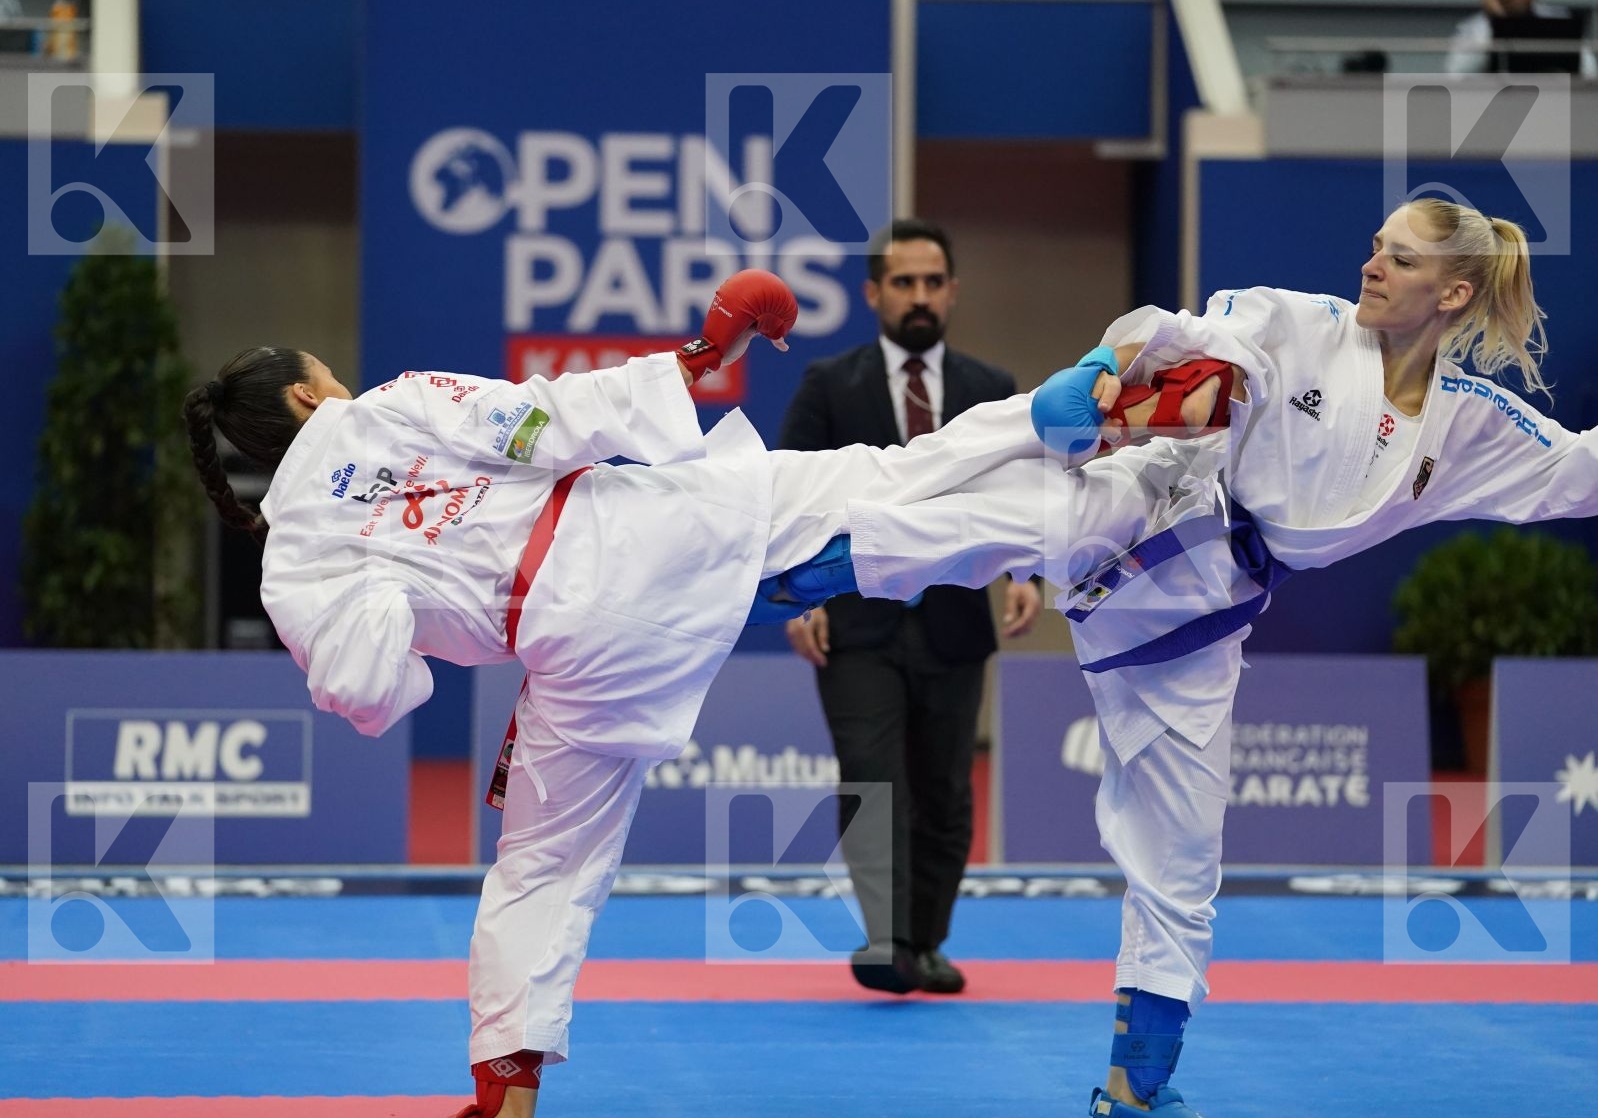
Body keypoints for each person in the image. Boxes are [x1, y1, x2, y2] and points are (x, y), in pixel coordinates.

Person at [182, 267, 1229, 1118]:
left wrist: (388, 584)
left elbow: (371, 690)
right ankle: (1100, 473)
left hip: (567, 652)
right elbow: (545, 425)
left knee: (541, 867)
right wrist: (696, 357)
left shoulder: (291, 562)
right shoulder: (383, 412)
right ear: (307, 397)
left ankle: (506, 1082)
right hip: (634, 532)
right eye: (330, 377)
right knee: (883, 491)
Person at [840, 198, 1597, 1116]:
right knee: (990, 479)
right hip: (1156, 499)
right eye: (1374, 247)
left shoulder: (1469, 422)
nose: (1370, 266)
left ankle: (1135, 1089)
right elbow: (1197, 333)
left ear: (1454, 291)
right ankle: (784, 552)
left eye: (1397, 260)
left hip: (1199, 616)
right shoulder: (1304, 323)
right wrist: (1101, 366)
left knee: (1183, 855)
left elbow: (1575, 472)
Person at [778, 218, 1043, 994]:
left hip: (957, 623)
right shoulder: (830, 385)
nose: (920, 297)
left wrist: (1024, 571)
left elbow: (1025, 493)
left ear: (952, 291)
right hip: (852, 620)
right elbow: (787, 492)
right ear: (873, 293)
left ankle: (927, 943)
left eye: (933, 283)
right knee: (871, 775)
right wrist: (792, 598)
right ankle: (885, 941)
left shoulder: (990, 390)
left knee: (944, 791)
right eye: (904, 283)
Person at [1444, 0, 1597, 77]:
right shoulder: (1474, 28)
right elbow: (1455, 73)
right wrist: (1496, 23)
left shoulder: (1559, 22)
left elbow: (1590, 72)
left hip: (1555, 103)